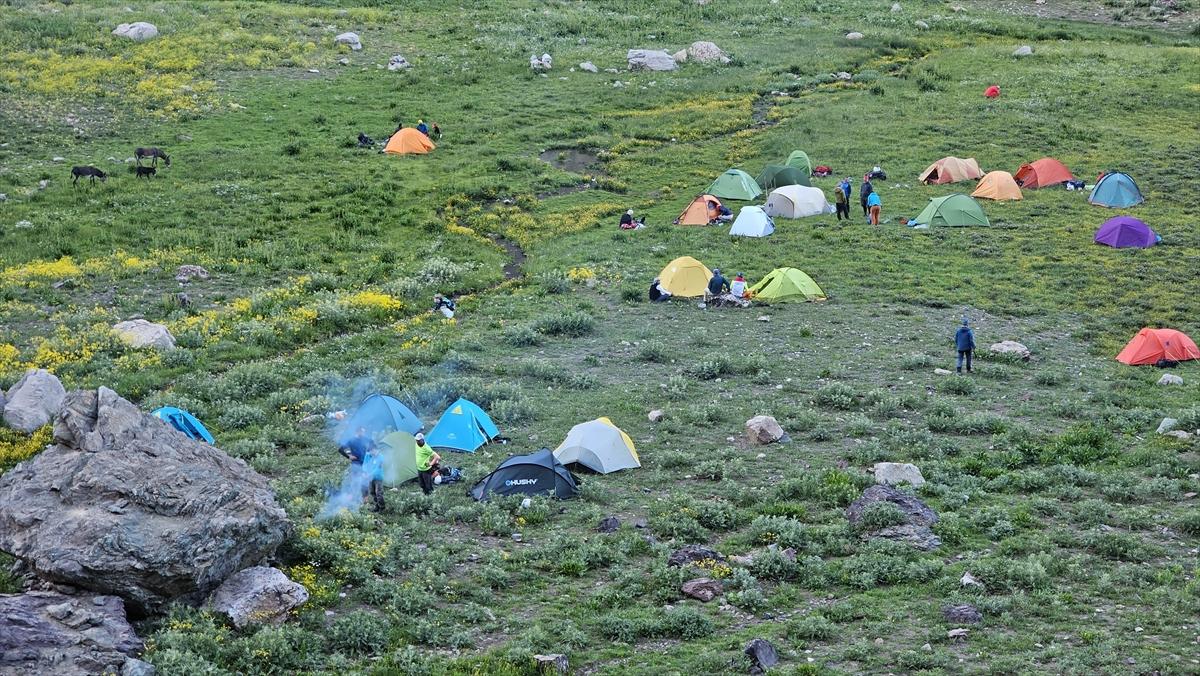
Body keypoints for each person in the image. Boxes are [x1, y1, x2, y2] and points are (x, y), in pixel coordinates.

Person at [340, 427, 384, 511]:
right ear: (358, 432)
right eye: (362, 432)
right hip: (356, 464)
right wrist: (349, 456)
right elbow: (341, 449)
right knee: (355, 481)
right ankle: (352, 498)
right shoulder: (352, 440)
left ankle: (365, 500)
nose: (363, 433)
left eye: (364, 432)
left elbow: (374, 446)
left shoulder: (366, 439)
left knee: (365, 482)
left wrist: (373, 454)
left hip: (366, 464)